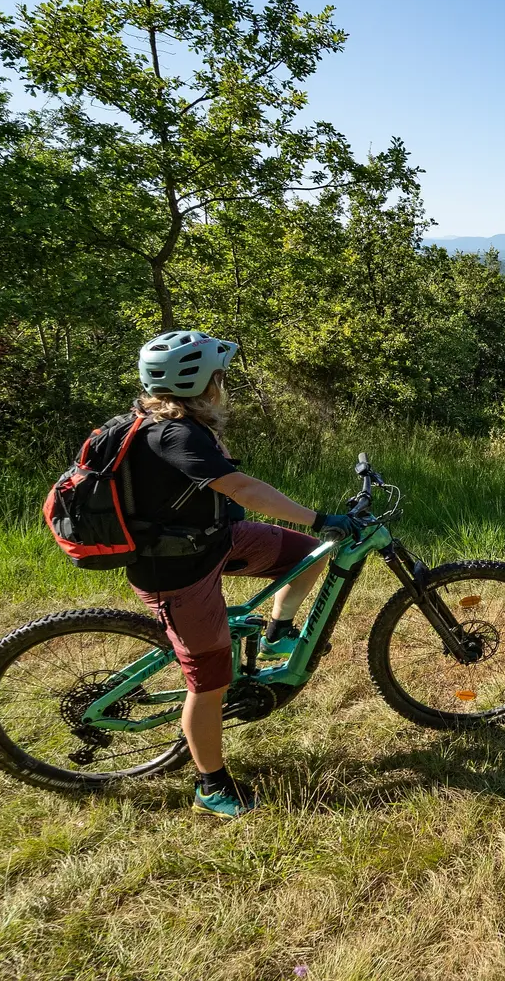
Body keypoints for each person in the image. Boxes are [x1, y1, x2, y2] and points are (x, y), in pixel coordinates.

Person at [123, 330, 356, 818]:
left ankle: (277, 633)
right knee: (210, 683)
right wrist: (318, 517)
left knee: (307, 555)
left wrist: (312, 530)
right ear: (200, 383)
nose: (222, 384)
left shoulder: (177, 422)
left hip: (211, 539)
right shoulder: (175, 434)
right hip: (177, 569)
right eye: (219, 376)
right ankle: (210, 786)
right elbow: (243, 489)